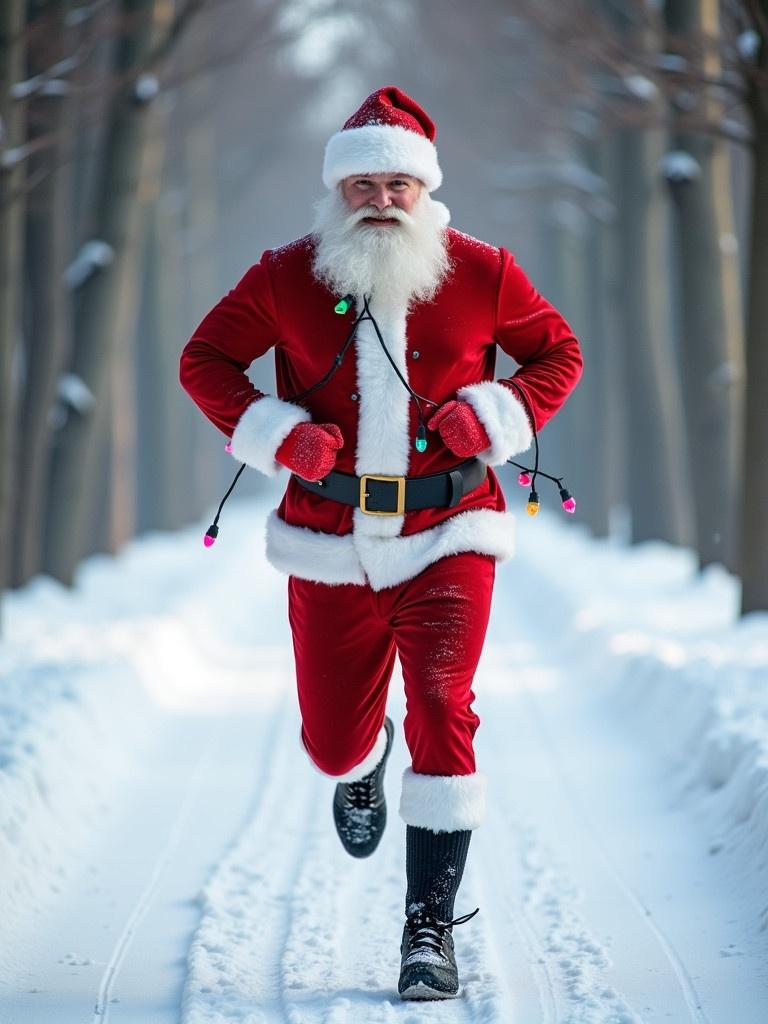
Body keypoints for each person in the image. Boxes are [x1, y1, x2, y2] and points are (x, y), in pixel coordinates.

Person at [179, 85, 583, 1000]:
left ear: (427, 190)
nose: (382, 200)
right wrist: (278, 433)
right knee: (330, 741)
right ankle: (361, 762)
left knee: (446, 702)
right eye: (363, 184)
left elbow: (559, 353)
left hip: (452, 530)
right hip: (328, 539)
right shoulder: (286, 275)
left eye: (399, 185)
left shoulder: (482, 272)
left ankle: (427, 932)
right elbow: (202, 360)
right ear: (337, 190)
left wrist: (497, 413)